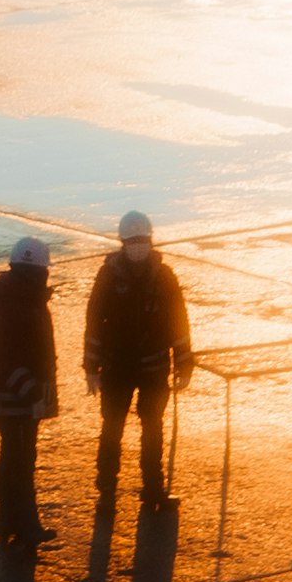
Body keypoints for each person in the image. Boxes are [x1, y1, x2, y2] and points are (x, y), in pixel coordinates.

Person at [84, 207, 194, 508]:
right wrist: (91, 368)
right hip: (116, 367)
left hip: (154, 367)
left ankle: (153, 489)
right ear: (123, 242)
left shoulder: (165, 277)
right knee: (112, 427)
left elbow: (178, 320)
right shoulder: (107, 275)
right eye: (132, 241)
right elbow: (94, 319)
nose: (137, 245)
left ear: (150, 240)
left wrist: (185, 363)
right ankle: (106, 487)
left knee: (153, 428)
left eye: (141, 240)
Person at [0, 231, 60, 550]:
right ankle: (25, 523)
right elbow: (9, 357)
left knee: (15, 457)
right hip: (16, 400)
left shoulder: (19, 298)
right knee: (19, 461)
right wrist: (33, 395)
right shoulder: (19, 303)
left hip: (14, 398)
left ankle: (8, 520)